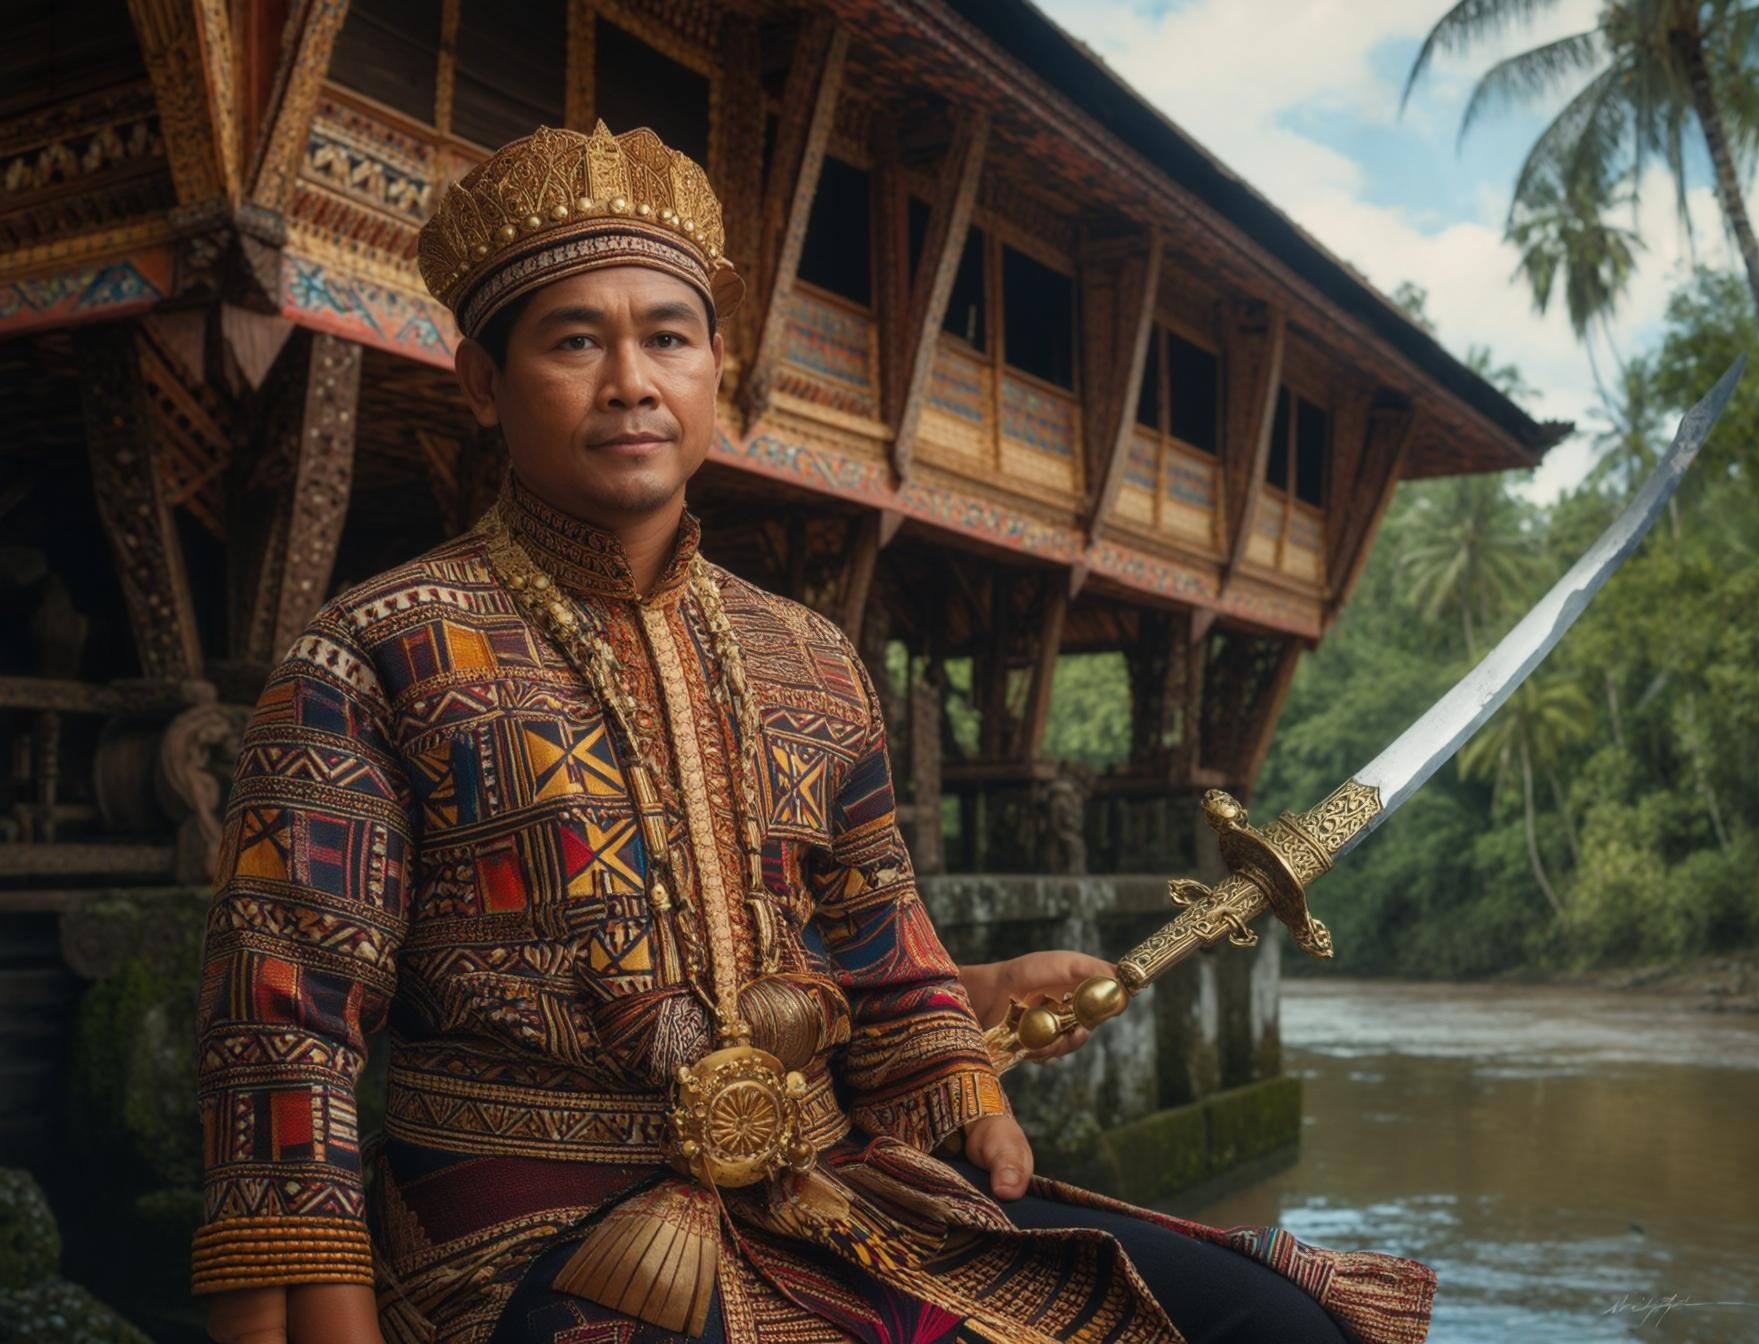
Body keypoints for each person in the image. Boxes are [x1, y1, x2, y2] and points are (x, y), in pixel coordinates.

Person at [193, 123, 1435, 1344]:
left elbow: (876, 943)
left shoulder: (813, 659)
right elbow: (280, 1026)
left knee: (1272, 1320)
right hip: (523, 1226)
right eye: (577, 340)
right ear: (482, 382)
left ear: (714, 372)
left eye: (667, 338)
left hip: (825, 1188)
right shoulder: (372, 651)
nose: (631, 379)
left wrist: (960, 1054)